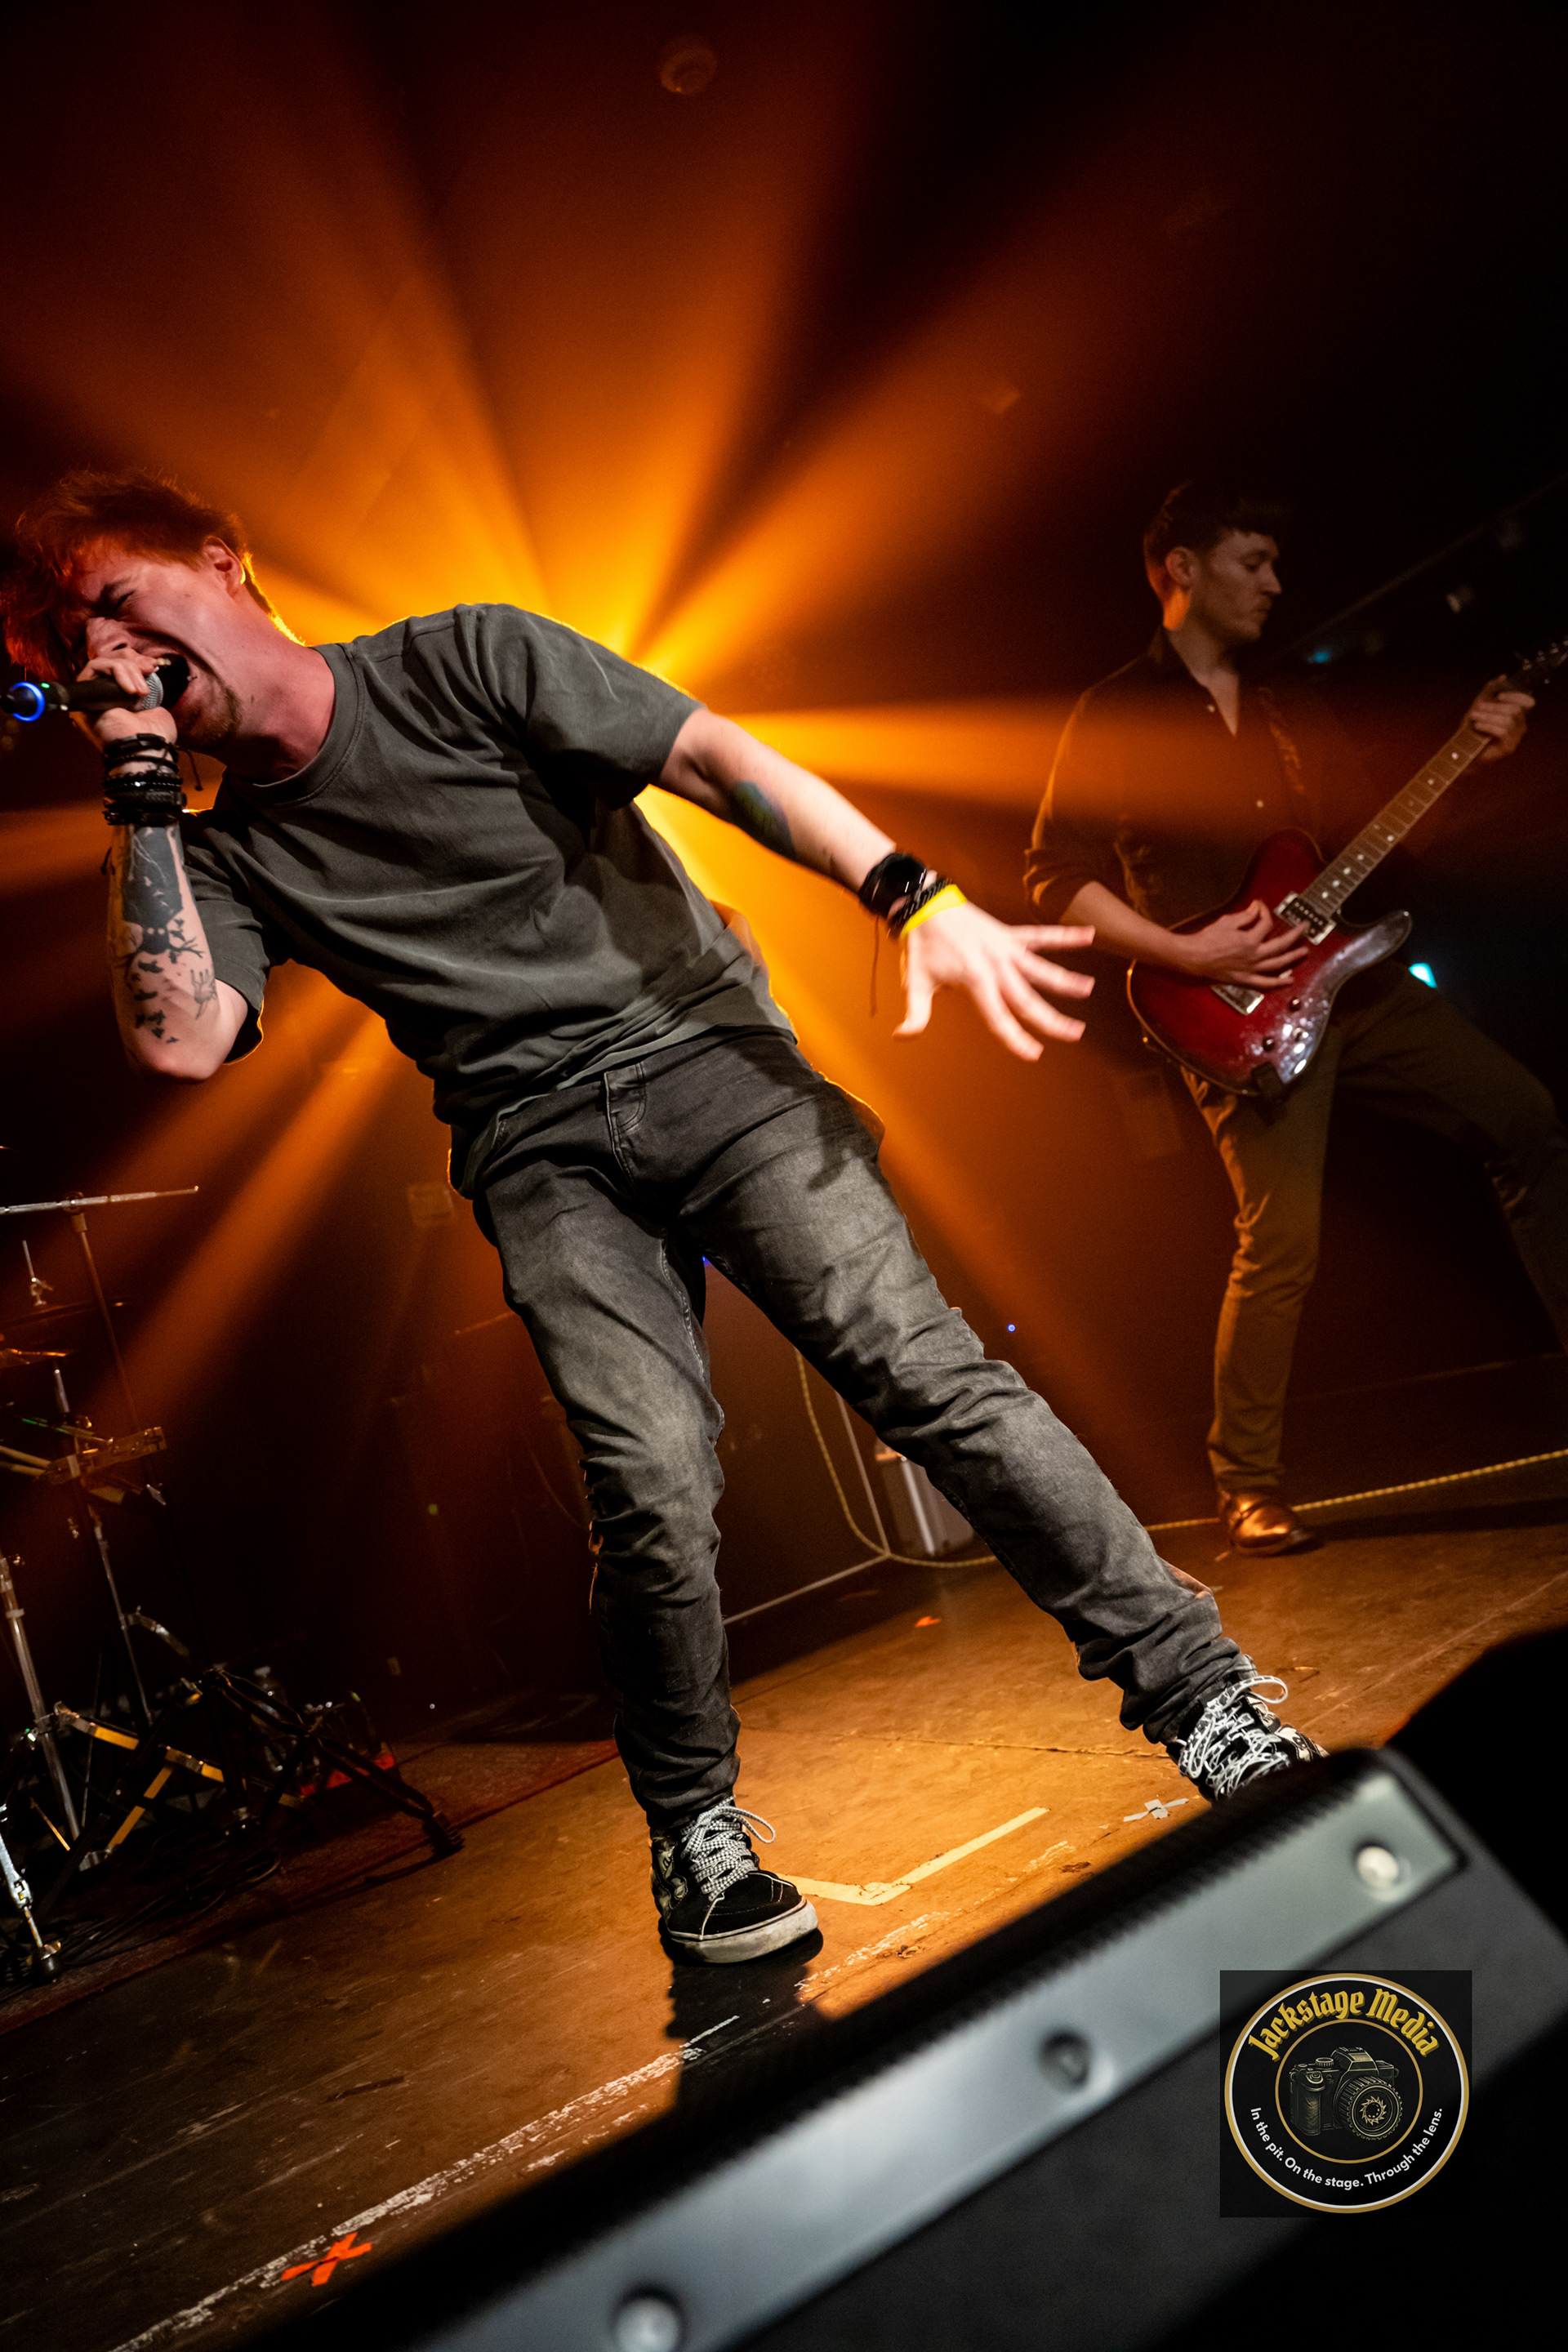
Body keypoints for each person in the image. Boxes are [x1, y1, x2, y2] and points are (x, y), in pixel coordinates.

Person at [2, 469, 1322, 1967]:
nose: (105, 656)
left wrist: (913, 896)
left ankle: (1205, 1701)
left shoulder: (463, 657)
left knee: (925, 1374)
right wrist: (138, 789)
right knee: (648, 1484)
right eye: (73, 648)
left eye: (117, 603)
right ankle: (698, 1839)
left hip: (709, 1059)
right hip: (537, 1146)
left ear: (222, 564)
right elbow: (180, 1041)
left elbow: (711, 755)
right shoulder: (218, 850)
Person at [1027, 479, 1564, 1556]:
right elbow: (1054, 877)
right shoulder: (1114, 712)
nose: (1276, 583)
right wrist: (1189, 951)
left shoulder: (1288, 704)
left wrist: (1467, 750)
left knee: (1529, 1121)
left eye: (1275, 563)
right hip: (1224, 1011)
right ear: (1182, 570)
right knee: (1282, 1243)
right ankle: (1247, 1483)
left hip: (1353, 988)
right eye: (1253, 562)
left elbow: (1376, 837)